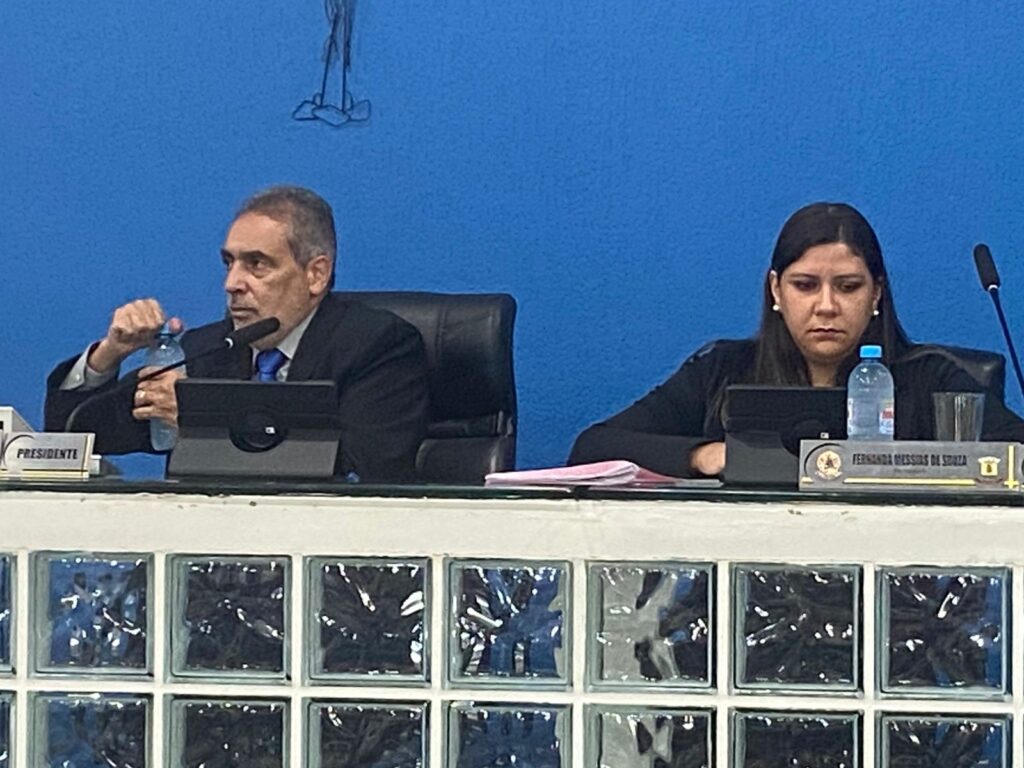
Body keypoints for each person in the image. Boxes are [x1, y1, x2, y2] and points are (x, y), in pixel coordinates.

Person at [569, 202, 1024, 477]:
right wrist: (703, 455)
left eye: (848, 287)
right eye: (805, 285)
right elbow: (592, 448)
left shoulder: (930, 377)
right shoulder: (722, 371)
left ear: (876, 294)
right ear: (776, 291)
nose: (826, 306)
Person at [45, 185, 430, 482]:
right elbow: (72, 438)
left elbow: (367, 467)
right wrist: (109, 355)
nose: (232, 283)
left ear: (316, 274)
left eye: (257, 264)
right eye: (229, 263)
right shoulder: (206, 350)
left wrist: (207, 421)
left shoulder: (377, 347)